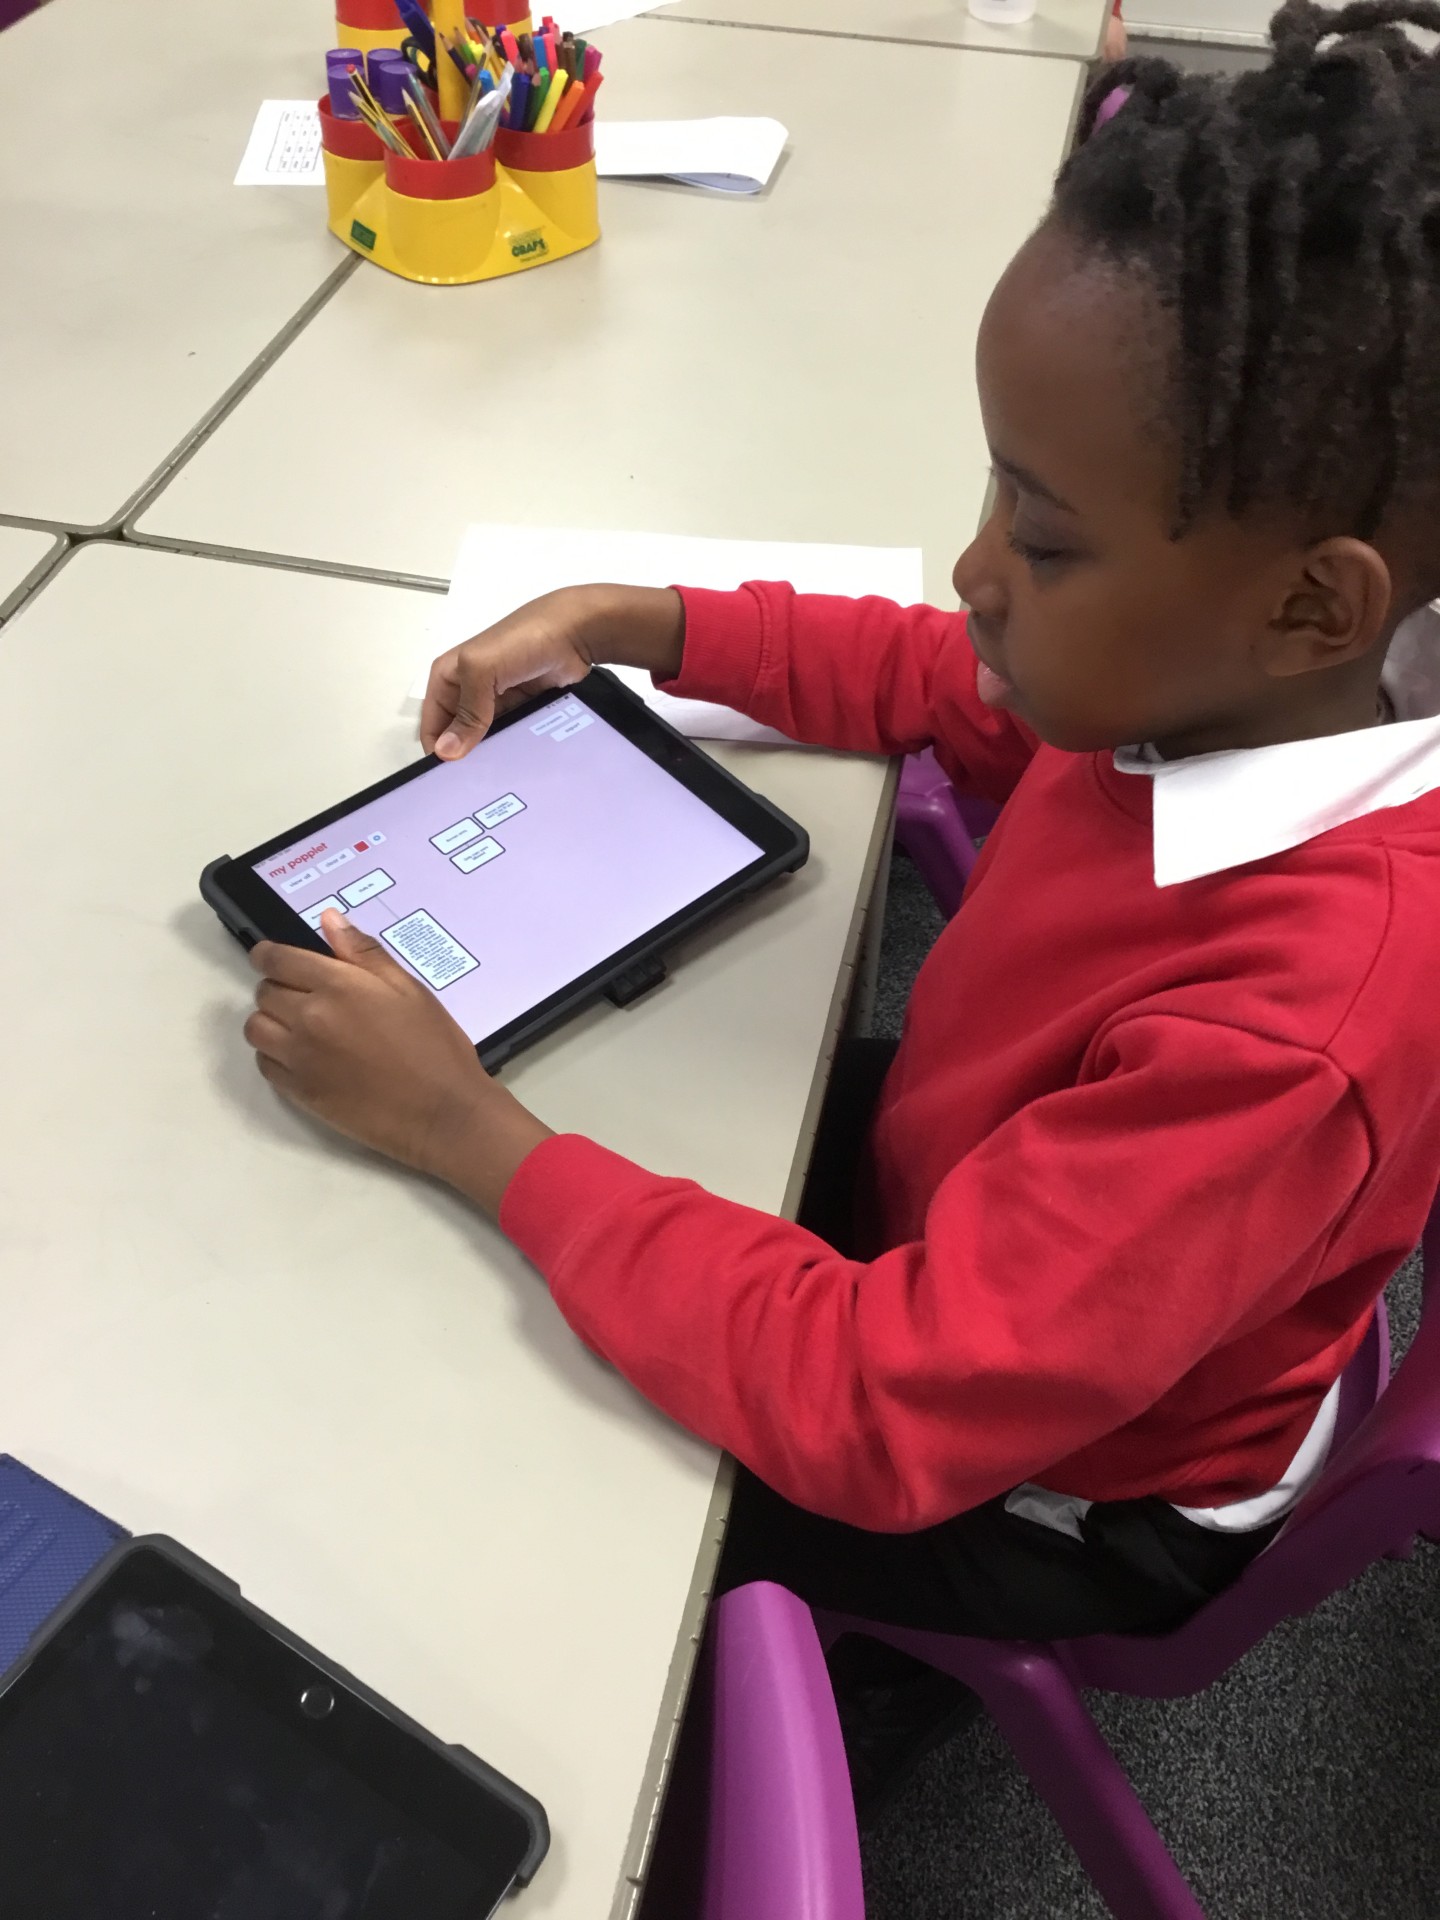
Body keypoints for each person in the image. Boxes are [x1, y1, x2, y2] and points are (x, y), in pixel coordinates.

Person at [241, 0, 1440, 1820]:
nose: (977, 568)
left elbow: (882, 1409)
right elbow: (943, 676)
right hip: (991, 1201)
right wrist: (645, 620)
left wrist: (468, 1132)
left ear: (1310, 605)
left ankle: (852, 1706)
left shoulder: (1291, 1036)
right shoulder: (1246, 688)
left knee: (492, 1481)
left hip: (1054, 1495)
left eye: (1044, 538)